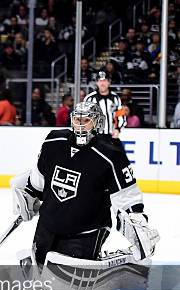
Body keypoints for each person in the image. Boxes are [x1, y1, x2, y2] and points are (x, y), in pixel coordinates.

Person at [10, 102, 159, 267]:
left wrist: (135, 219)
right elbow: (40, 176)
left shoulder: (110, 156)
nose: (80, 125)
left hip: (86, 231)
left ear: (97, 123)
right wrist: (30, 193)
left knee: (66, 277)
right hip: (48, 225)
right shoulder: (54, 141)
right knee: (36, 271)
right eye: (77, 120)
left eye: (86, 120)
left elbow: (127, 196)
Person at [84, 70, 125, 143]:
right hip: (94, 137)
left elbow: (121, 116)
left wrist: (118, 129)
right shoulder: (89, 99)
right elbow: (83, 117)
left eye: (105, 80)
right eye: (100, 81)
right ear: (96, 82)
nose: (102, 83)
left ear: (109, 82)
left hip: (111, 137)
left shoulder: (115, 98)